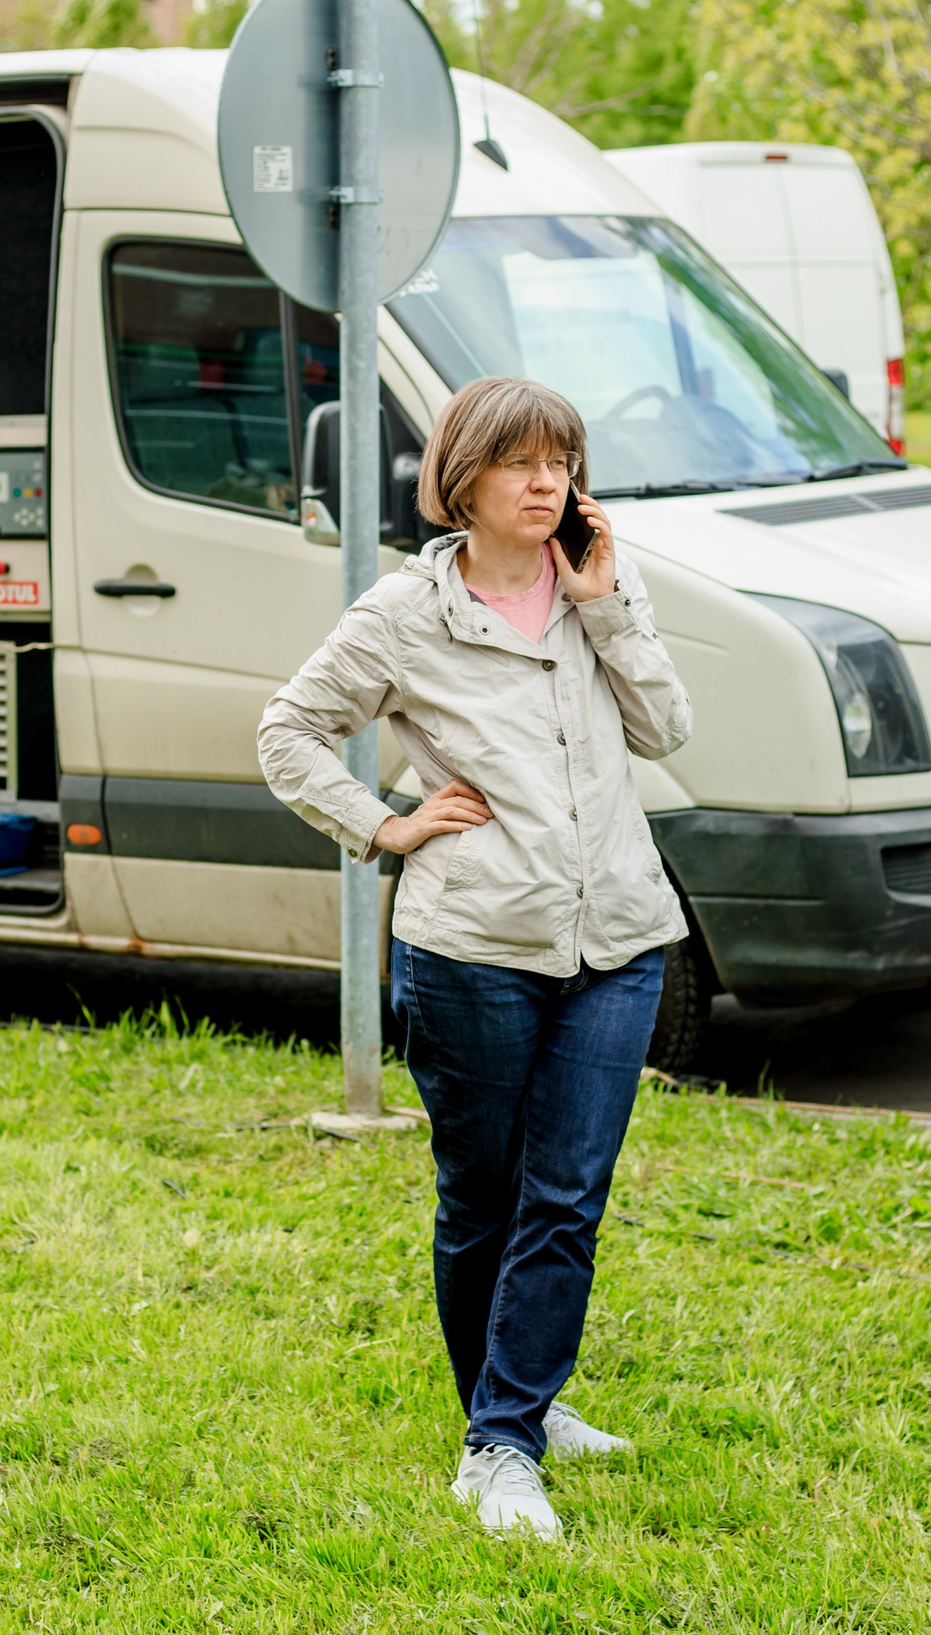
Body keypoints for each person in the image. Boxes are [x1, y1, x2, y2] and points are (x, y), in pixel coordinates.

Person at [258, 375, 693, 1540]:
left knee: (565, 1196)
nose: (547, 482)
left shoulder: (599, 575)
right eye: (521, 463)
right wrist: (382, 823)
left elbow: (667, 728)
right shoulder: (404, 611)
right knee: (483, 1196)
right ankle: (510, 1416)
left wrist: (608, 610)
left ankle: (504, 1436)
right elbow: (286, 728)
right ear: (464, 478)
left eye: (561, 460)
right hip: (472, 949)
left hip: (619, 939)